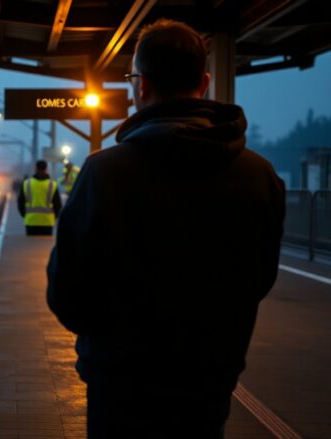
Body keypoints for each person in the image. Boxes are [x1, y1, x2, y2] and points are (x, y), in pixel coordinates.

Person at [47, 19, 285, 438]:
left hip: (119, 382)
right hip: (209, 378)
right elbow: (259, 279)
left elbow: (66, 290)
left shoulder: (105, 172)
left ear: (141, 86)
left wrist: (109, 338)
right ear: (205, 82)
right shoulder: (259, 175)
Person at [17, 160, 62, 236]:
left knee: (31, 245)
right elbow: (58, 204)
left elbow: (20, 202)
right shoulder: (52, 185)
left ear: (35, 169)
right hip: (47, 221)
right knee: (44, 245)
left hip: (31, 221)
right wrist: (54, 217)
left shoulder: (26, 183)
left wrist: (25, 215)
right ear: (46, 169)